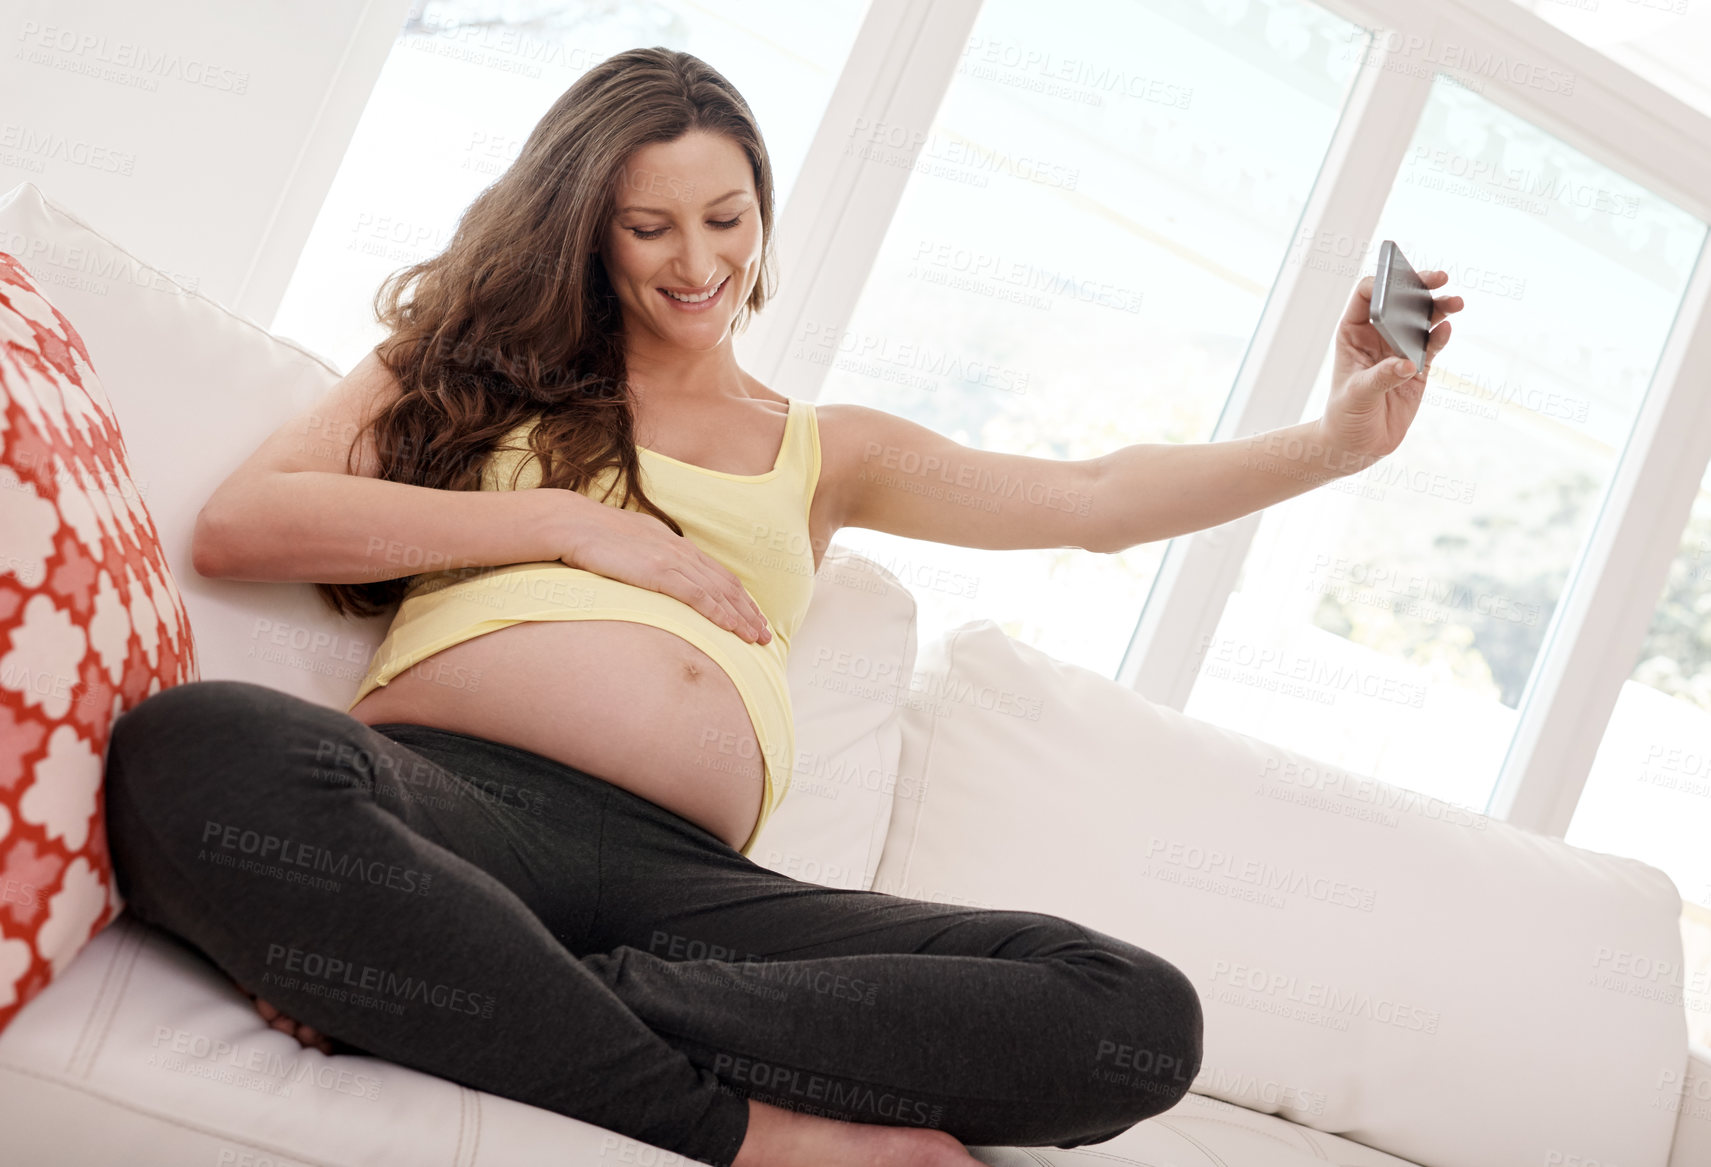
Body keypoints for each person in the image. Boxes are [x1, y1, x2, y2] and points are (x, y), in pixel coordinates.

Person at [101, 46, 1461, 1167]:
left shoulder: (831, 450)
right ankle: (747, 1132)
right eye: (650, 226)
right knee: (200, 751)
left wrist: (1334, 445)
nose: (696, 262)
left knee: (1133, 1020)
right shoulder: (472, 368)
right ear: (589, 229)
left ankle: (461, 984)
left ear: (764, 218)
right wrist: (573, 526)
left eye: (726, 218)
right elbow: (242, 526)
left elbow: (1094, 495)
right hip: (443, 808)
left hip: (693, 903)